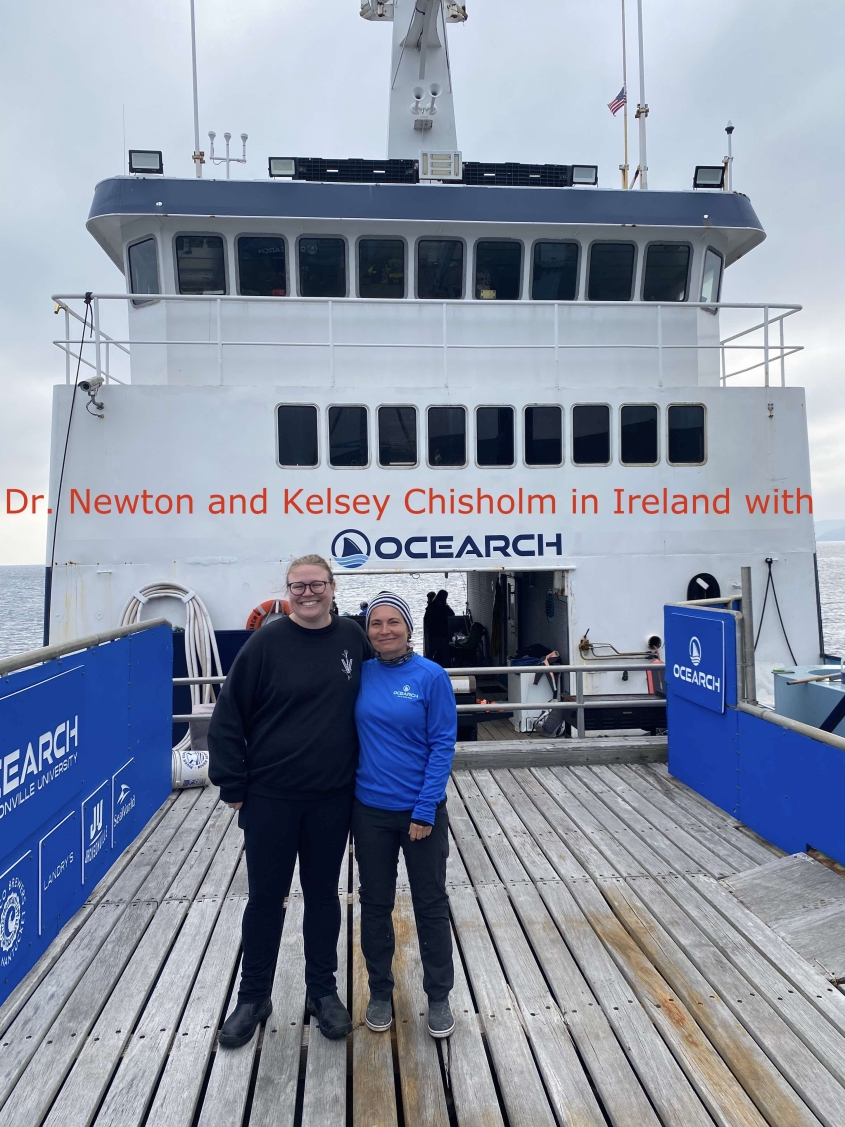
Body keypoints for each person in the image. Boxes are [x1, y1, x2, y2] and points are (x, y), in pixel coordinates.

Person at [208, 554, 371, 1048]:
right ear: (287, 590)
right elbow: (228, 717)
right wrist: (232, 786)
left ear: (332, 587)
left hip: (331, 797)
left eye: (316, 584)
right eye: (298, 586)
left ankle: (322, 992)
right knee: (265, 900)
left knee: (323, 898)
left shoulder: (352, 638)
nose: (307, 593)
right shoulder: (266, 643)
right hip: (271, 798)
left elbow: (381, 696)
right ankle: (253, 995)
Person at [353, 591, 457, 1039]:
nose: (385, 631)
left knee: (430, 903)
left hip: (421, 813)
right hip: (370, 810)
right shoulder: (360, 675)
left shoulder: (431, 676)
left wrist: (424, 809)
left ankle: (438, 996)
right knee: (375, 904)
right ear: (368, 631)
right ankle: (380, 991)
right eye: (376, 623)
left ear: (409, 628)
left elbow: (442, 745)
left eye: (394, 622)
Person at [423, 589, 454, 667]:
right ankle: (448, 669)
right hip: (443, 633)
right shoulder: (444, 607)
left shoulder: (431, 606)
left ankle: (426, 666)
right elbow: (452, 614)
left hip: (433, 634)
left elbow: (426, 620)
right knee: (445, 654)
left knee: (430, 652)